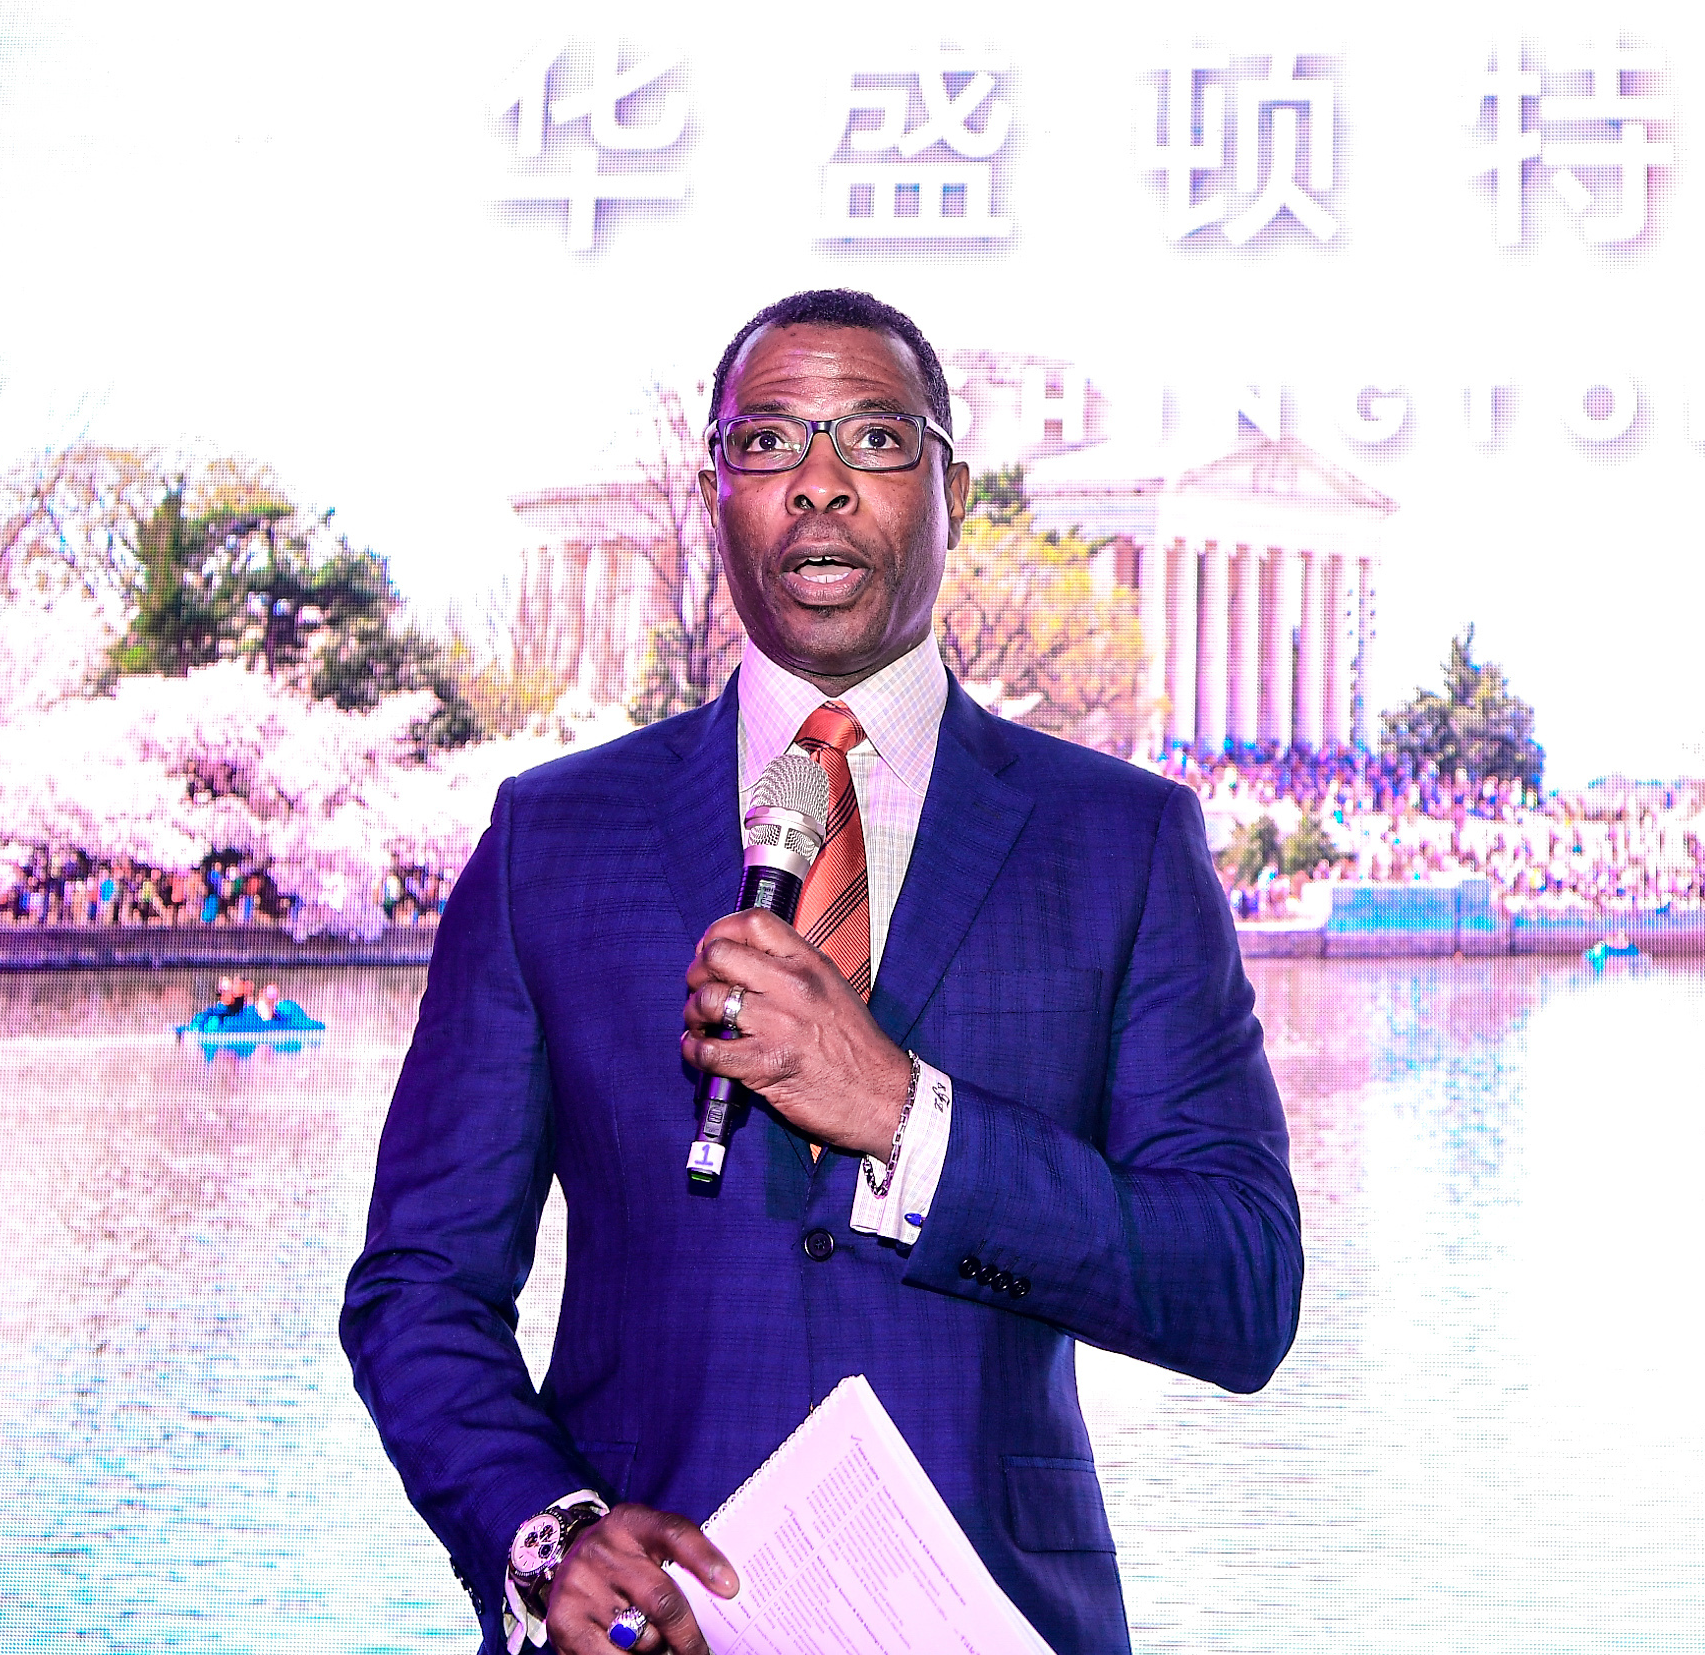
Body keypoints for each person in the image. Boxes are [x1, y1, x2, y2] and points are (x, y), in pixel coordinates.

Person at [342, 289, 1303, 1655]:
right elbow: (419, 1287)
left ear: (953, 494)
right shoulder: (553, 836)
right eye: (769, 443)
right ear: (716, 496)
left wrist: (909, 1120)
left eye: (876, 440)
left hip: (996, 1616)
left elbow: (1241, 1287)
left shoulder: (1121, 843)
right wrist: (545, 1532)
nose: (820, 484)